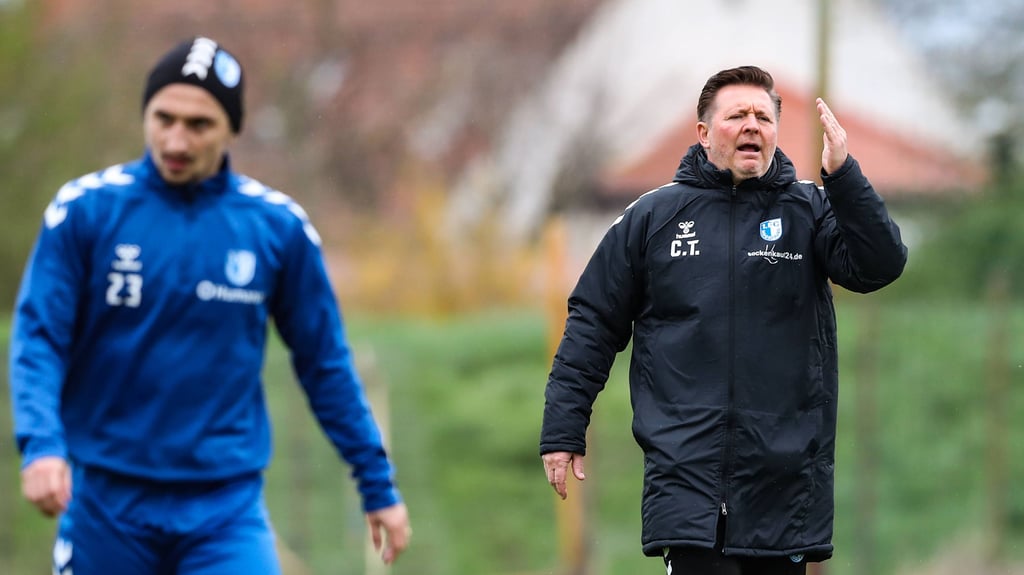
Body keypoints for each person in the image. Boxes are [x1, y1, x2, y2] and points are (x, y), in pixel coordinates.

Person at [9, 36, 410, 574]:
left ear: (232, 129)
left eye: (198, 125)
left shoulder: (276, 228)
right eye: (163, 117)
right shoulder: (84, 211)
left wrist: (376, 483)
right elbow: (39, 338)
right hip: (105, 504)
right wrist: (42, 444)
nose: (175, 139)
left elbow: (325, 365)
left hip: (224, 512)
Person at [540, 65, 907, 574]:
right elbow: (592, 325)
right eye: (737, 115)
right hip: (686, 478)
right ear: (704, 132)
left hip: (785, 478)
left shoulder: (811, 209)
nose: (753, 125)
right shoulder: (652, 218)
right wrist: (563, 429)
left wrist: (844, 177)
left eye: (763, 116)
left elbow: (880, 266)